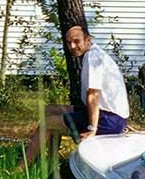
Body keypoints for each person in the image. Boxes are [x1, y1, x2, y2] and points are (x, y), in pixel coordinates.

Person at [23, 25, 129, 166]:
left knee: (47, 124)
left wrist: (92, 129)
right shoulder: (91, 54)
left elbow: (93, 96)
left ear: (88, 39)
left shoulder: (94, 57)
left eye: (76, 41)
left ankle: (21, 169)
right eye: (68, 42)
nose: (72, 46)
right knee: (51, 110)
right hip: (105, 114)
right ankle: (52, 162)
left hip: (109, 120)